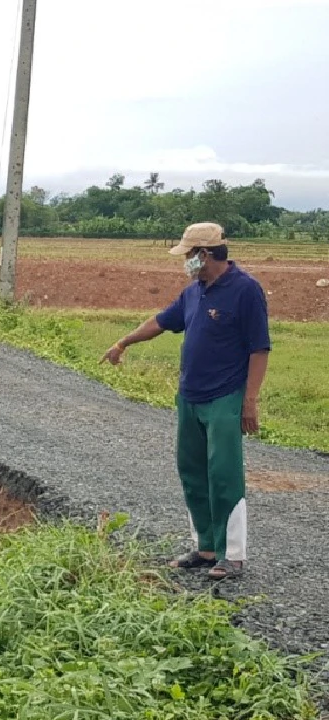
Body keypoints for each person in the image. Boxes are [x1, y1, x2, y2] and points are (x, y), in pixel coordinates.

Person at [100, 222, 270, 580]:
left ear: (204, 254)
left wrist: (249, 401)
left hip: (225, 397)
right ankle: (206, 547)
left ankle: (232, 555)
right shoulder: (194, 291)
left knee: (223, 474)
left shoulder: (245, 290)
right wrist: (123, 342)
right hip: (189, 396)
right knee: (192, 472)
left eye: (189, 255)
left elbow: (259, 348)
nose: (186, 262)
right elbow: (161, 321)